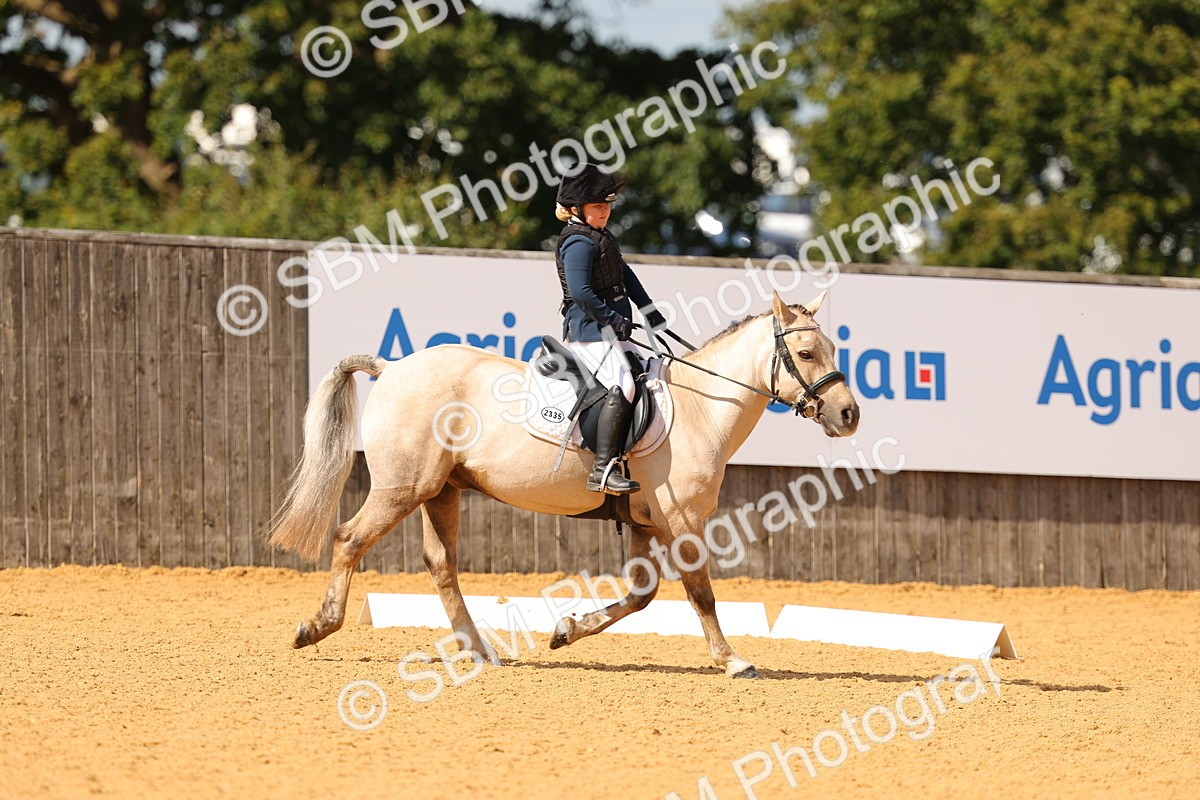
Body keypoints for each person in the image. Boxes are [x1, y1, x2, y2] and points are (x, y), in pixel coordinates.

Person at [554, 164, 665, 495]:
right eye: (598, 206)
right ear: (577, 209)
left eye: (608, 205)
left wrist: (649, 311)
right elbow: (580, 293)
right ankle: (602, 469)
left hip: (608, 329)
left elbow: (625, 275)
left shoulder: (600, 237)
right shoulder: (577, 243)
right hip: (589, 329)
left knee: (650, 375)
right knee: (623, 386)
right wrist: (612, 319)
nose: (605, 212)